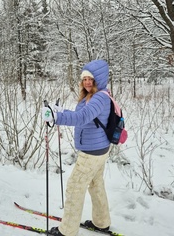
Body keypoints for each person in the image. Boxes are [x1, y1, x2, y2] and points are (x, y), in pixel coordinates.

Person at [42, 59, 111, 236]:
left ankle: (67, 231)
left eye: (91, 79)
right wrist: (61, 111)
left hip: (91, 153)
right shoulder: (96, 96)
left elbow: (82, 118)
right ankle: (101, 222)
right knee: (96, 184)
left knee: (74, 187)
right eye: (85, 79)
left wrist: (56, 118)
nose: (87, 82)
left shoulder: (99, 98)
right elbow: (81, 115)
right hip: (99, 148)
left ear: (100, 79)